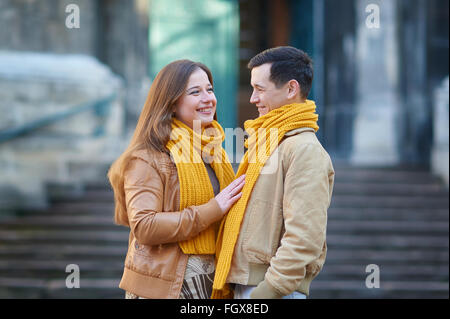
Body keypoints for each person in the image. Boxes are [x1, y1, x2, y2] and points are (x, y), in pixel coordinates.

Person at [108, 59, 245, 299]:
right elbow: (144, 226)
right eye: (195, 92)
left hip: (211, 283)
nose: (208, 98)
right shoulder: (147, 157)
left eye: (209, 89)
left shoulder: (214, 153)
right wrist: (212, 209)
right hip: (168, 287)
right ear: (171, 104)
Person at [212, 46, 335, 299]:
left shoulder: (304, 150)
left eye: (260, 89)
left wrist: (267, 292)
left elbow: (304, 236)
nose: (252, 99)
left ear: (291, 89)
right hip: (248, 285)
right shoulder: (268, 141)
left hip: (272, 291)